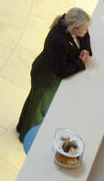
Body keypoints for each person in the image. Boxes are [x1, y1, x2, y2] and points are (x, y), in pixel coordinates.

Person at [16, 9, 92, 140]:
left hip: (48, 71)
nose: (86, 31)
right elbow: (61, 71)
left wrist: (85, 48)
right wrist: (80, 63)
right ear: (75, 28)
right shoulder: (58, 40)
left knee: (34, 102)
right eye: (84, 28)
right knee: (38, 109)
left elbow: (85, 35)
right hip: (46, 78)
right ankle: (27, 137)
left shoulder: (68, 25)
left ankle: (21, 127)